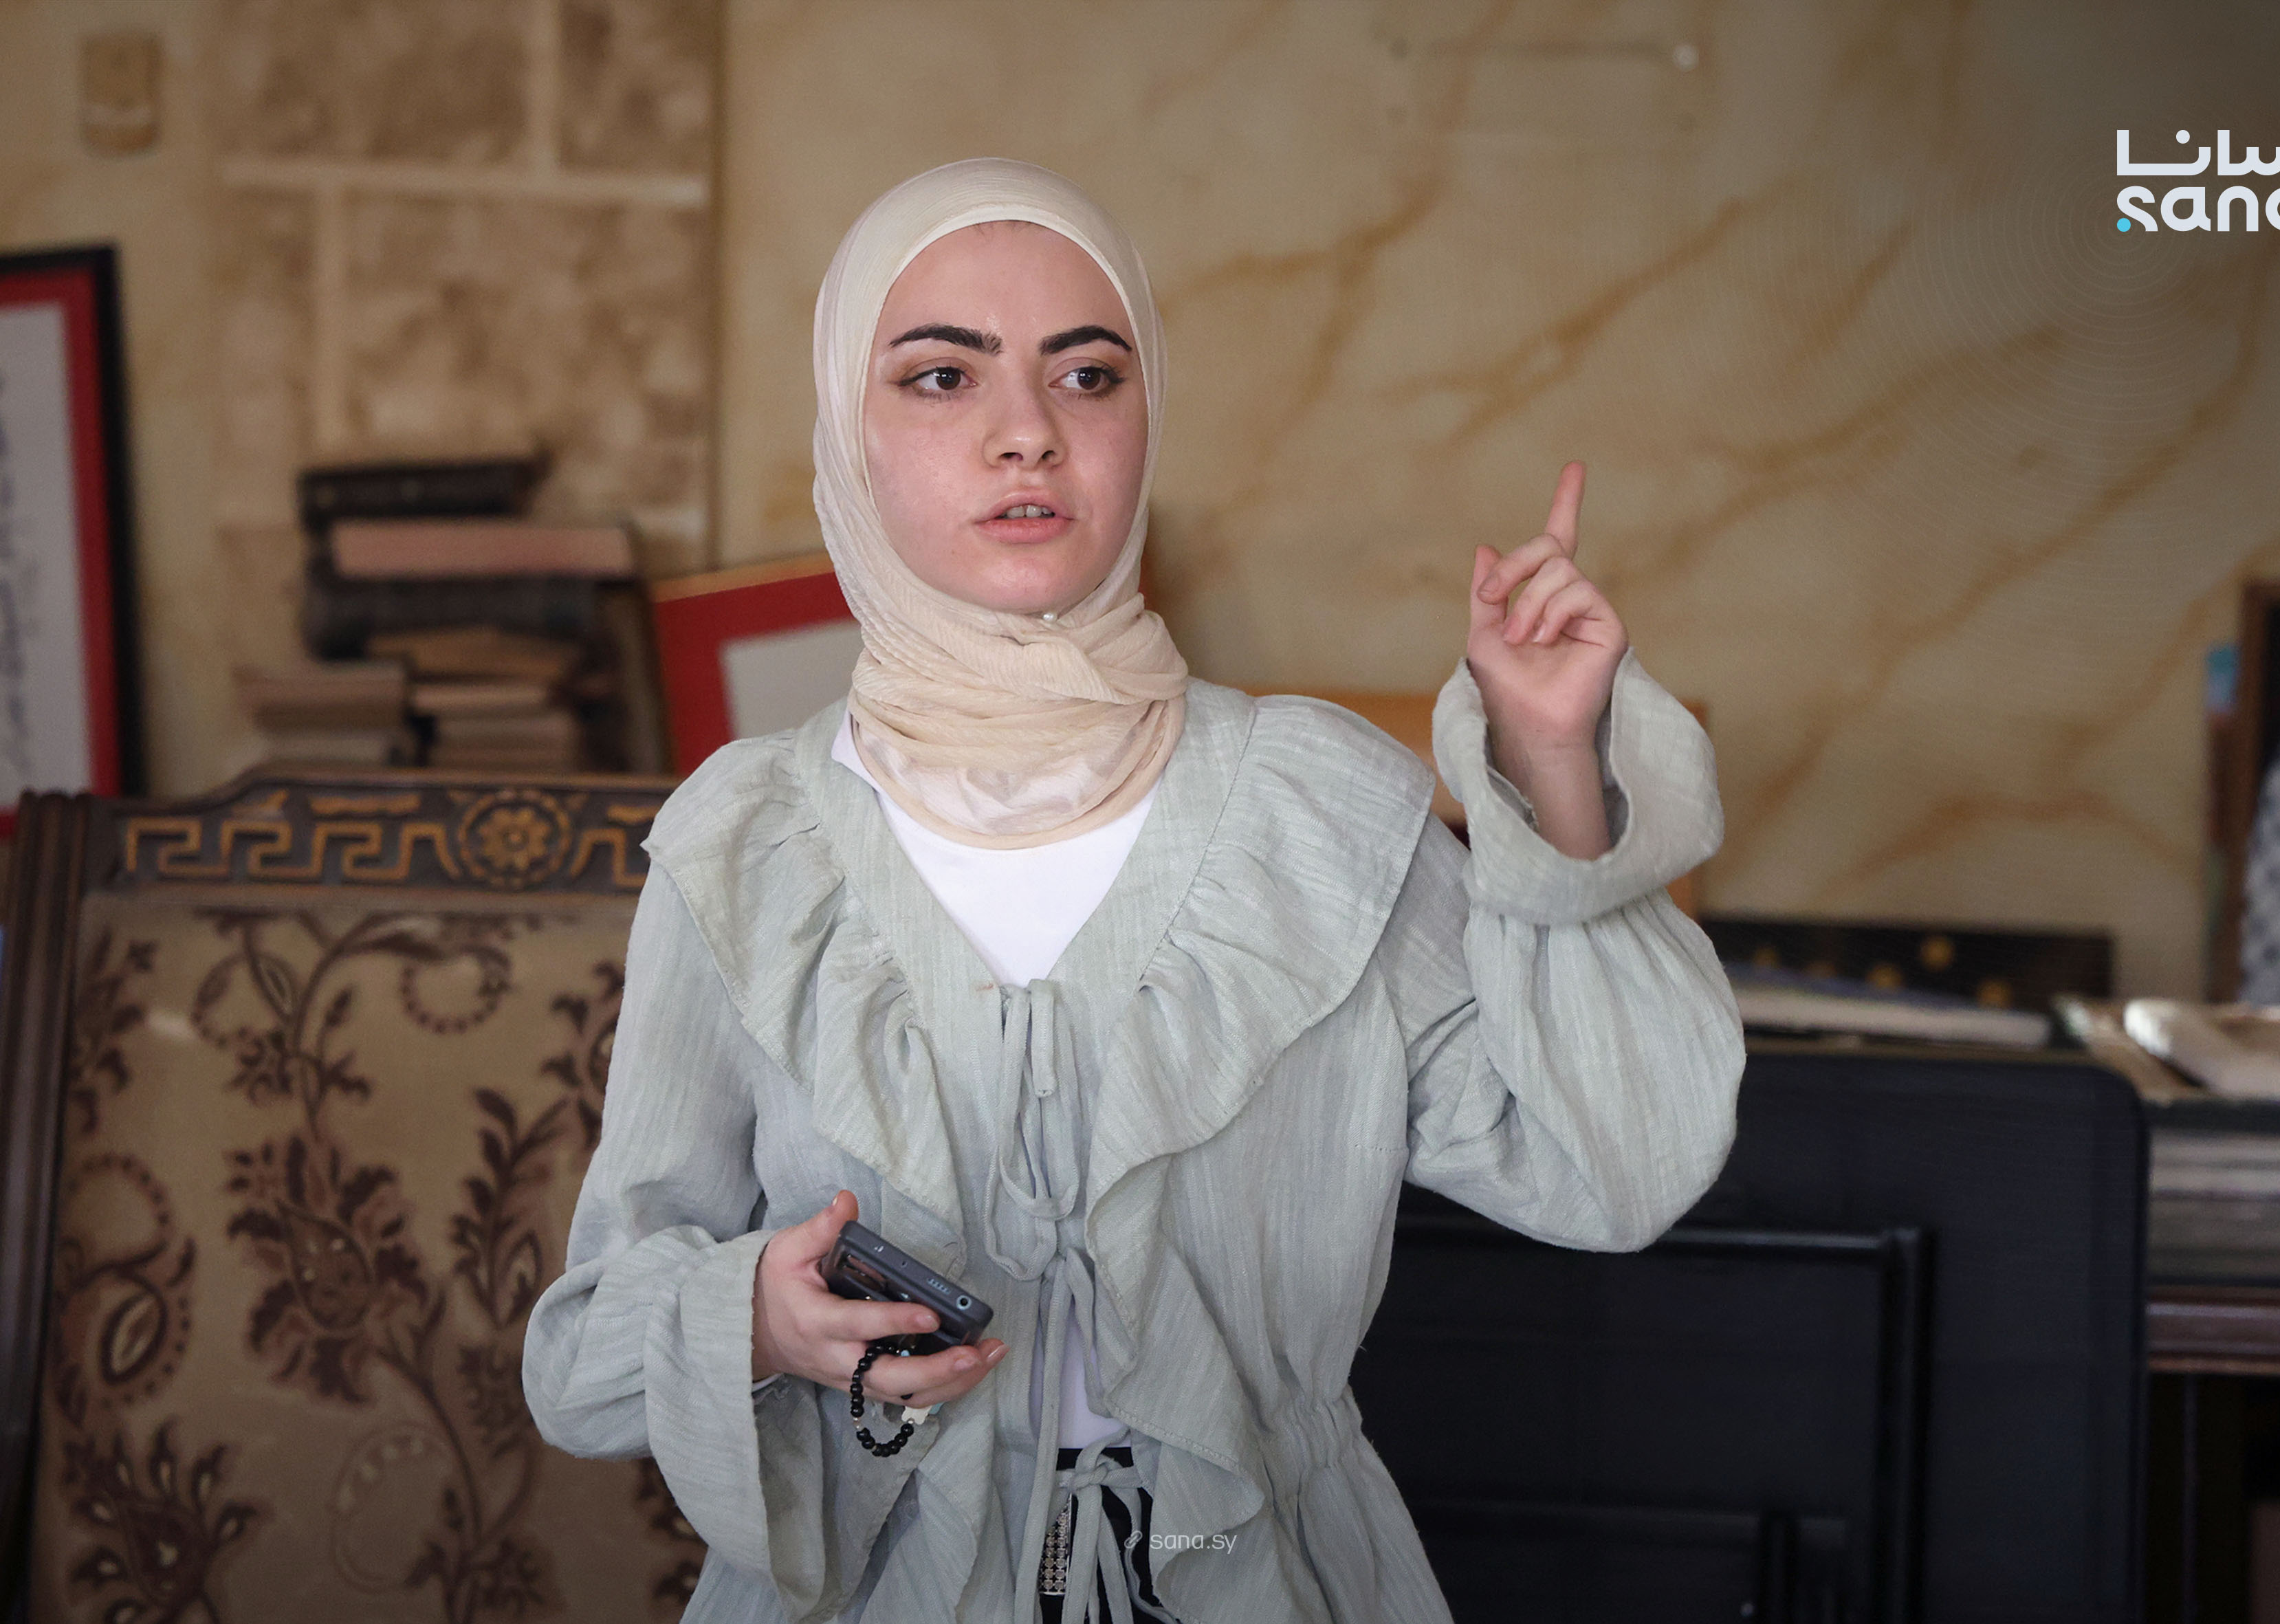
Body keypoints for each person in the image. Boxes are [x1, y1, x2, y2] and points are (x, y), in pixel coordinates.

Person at [524, 157, 1744, 1624]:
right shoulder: (745, 843)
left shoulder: (1318, 811)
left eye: (1087, 375)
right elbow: (579, 1361)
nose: (1027, 432)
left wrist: (1552, 771)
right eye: (941, 377)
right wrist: (758, 1321)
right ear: (848, 435)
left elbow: (1613, 1169)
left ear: (1145, 419)